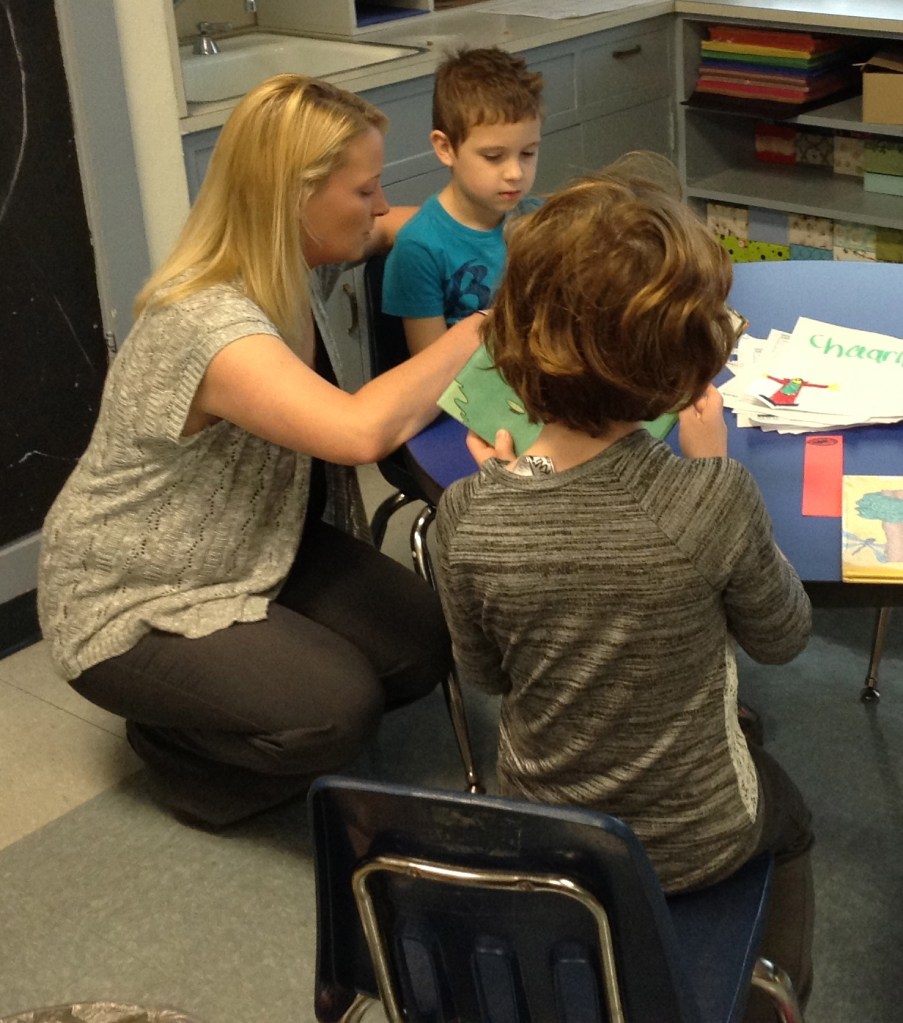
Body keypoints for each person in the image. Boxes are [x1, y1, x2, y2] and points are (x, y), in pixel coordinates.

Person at [37, 74, 483, 829]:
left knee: (421, 645)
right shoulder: (209, 325)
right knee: (337, 711)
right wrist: (479, 329)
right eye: (364, 189)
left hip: (255, 543)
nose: (378, 207)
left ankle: (241, 679)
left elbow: (404, 228)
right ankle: (179, 748)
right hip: (133, 591)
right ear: (293, 199)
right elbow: (358, 432)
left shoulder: (297, 254)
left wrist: (495, 233)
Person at [434, 156, 815, 1018]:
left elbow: (490, 676)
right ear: (685, 375)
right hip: (694, 841)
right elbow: (782, 636)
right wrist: (711, 473)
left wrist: (508, 488)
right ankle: (775, 992)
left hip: (546, 843)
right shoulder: (705, 498)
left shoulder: (466, 515)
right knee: (789, 822)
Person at [382, 46, 544, 354]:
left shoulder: (541, 223)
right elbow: (430, 375)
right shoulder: (419, 248)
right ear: (445, 148)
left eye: (528, 153)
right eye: (493, 157)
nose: (515, 173)